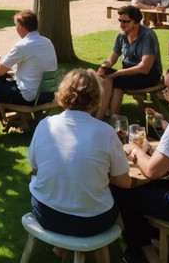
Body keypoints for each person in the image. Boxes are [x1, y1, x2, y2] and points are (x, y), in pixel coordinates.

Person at [28, 68, 130, 239]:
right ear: (96, 97)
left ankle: (62, 250)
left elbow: (34, 164)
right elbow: (124, 181)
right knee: (122, 197)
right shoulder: (105, 132)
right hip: (91, 221)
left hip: (47, 214)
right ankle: (137, 245)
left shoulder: (46, 124)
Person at [113, 63, 169, 262]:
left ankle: (141, 253)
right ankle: (168, 245)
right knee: (157, 187)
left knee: (124, 192)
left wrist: (134, 149)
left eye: (165, 88)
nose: (163, 92)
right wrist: (153, 149)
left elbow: (151, 171)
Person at [0, 10, 57, 141]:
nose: (15, 28)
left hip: (29, 96)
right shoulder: (47, 42)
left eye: (16, 25)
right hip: (46, 92)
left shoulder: (22, 45)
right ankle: (10, 117)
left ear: (22, 27)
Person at [96, 5, 162, 119]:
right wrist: (104, 67)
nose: (122, 24)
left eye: (126, 21)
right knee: (106, 76)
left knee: (116, 80)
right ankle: (109, 116)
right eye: (120, 20)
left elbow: (145, 67)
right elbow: (112, 59)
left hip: (149, 75)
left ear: (136, 22)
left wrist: (117, 73)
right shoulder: (121, 36)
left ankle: (105, 117)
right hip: (128, 73)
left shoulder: (148, 36)